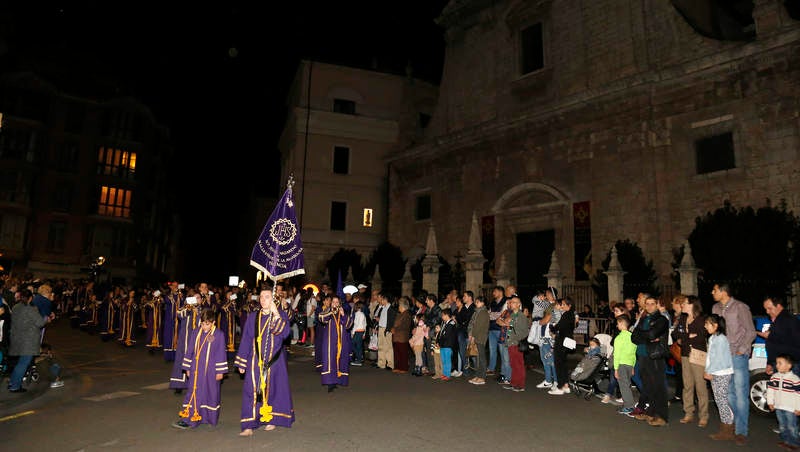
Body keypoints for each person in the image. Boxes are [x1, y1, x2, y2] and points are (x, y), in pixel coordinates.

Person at [235, 288, 294, 436]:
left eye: (267, 297)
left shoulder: (280, 315)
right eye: (261, 296)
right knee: (251, 391)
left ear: (273, 300)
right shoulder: (253, 316)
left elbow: (285, 333)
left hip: (274, 361)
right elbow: (247, 339)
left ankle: (271, 419)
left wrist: (275, 313)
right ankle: (248, 424)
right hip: (255, 359)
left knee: (272, 390)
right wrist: (242, 362)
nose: (263, 299)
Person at [711, 283, 756, 446]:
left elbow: (750, 331)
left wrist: (741, 350)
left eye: (715, 290)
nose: (712, 292)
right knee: (728, 393)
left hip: (737, 356)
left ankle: (741, 431)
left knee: (740, 393)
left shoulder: (740, 307)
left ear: (723, 292)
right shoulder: (715, 308)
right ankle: (732, 426)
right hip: (723, 357)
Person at [171, 309, 228, 429]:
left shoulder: (219, 334)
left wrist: (220, 372)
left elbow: (221, 353)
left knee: (211, 392)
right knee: (194, 392)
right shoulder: (196, 332)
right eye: (202, 323)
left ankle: (209, 417)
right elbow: (190, 350)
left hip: (211, 370)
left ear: (213, 323)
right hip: (196, 369)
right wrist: (187, 367)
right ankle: (189, 419)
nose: (204, 326)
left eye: (207, 324)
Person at [631, 296, 670, 427]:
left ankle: (662, 416)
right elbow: (633, 337)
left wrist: (644, 334)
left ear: (657, 305)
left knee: (658, 386)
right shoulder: (643, 319)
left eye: (652, 304)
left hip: (654, 356)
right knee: (648, 386)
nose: (649, 306)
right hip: (642, 355)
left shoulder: (662, 319)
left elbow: (652, 334)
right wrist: (646, 335)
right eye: (647, 304)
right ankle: (651, 412)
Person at [673, 295, 709, 427]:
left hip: (698, 355)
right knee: (687, 385)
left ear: (692, 304)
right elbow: (675, 334)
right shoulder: (682, 318)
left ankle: (703, 416)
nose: (682, 305)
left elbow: (700, 338)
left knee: (700, 386)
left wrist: (684, 339)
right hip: (685, 355)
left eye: (685, 303)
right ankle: (688, 412)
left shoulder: (701, 319)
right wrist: (688, 336)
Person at [7, 289, 50, 393]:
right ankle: (15, 386)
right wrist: (46, 318)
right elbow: (40, 323)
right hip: (28, 340)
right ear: (31, 298)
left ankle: (12, 382)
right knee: (23, 363)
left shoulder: (15, 307)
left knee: (19, 363)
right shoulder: (31, 309)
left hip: (17, 338)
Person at [704, 314, 735, 441]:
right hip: (716, 372)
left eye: (707, 323)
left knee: (721, 400)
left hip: (722, 372)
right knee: (719, 399)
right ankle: (725, 427)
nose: (705, 326)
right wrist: (708, 370)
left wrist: (709, 371)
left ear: (715, 325)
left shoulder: (721, 339)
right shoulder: (713, 338)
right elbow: (711, 357)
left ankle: (728, 427)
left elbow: (719, 359)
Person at [317, 295, 353, 392]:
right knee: (330, 360)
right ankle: (330, 382)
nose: (335, 304)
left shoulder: (343, 313)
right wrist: (330, 311)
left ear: (340, 304)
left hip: (341, 341)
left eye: (337, 302)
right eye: (333, 302)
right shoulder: (327, 311)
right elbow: (321, 318)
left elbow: (349, 325)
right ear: (331, 303)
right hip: (330, 341)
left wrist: (343, 315)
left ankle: (337, 380)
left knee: (340, 359)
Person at [766, 354, 800, 450]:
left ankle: (794, 442)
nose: (777, 365)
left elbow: (798, 394)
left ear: (789, 365)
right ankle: (786, 440)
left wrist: (798, 407)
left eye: (780, 363)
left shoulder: (795, 379)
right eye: (776, 363)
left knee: (792, 426)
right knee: (782, 425)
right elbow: (770, 390)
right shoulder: (774, 377)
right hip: (778, 407)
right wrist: (770, 402)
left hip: (791, 408)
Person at [760, 296, 800, 377]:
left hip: (788, 366)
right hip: (780, 364)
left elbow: (794, 343)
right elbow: (773, 344)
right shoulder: (777, 320)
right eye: (766, 309)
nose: (767, 312)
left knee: (790, 389)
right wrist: (770, 363)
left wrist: (770, 336)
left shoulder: (789, 320)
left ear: (778, 306)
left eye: (769, 308)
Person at [549, 297, 575, 395]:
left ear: (569, 305)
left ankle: (560, 387)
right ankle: (566, 385)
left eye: (564, 304)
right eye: (562, 304)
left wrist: (553, 327)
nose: (562, 306)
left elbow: (559, 327)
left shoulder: (567, 315)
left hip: (562, 341)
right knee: (563, 364)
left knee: (559, 364)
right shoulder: (570, 314)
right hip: (565, 341)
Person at [503, 296, 530, 392]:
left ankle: (520, 384)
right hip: (511, 342)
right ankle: (514, 382)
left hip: (516, 343)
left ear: (519, 304)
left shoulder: (521, 316)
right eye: (511, 302)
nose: (511, 304)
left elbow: (525, 332)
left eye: (514, 302)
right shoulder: (513, 315)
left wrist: (516, 339)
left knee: (519, 364)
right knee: (513, 364)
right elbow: (511, 328)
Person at [613, 315, 637, 416]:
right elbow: (634, 353)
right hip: (629, 364)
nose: (616, 325)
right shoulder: (632, 337)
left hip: (621, 364)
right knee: (627, 385)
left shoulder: (618, 338)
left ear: (622, 324)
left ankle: (629, 406)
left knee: (624, 386)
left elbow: (616, 354)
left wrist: (615, 368)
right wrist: (633, 366)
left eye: (618, 323)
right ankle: (630, 404)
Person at [467, 296, 489, 385]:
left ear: (482, 302)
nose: (476, 304)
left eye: (477, 302)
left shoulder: (483, 312)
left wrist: (472, 336)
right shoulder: (478, 312)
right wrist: (470, 334)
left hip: (480, 337)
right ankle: (478, 375)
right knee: (478, 357)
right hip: (477, 336)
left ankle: (482, 377)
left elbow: (478, 326)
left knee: (481, 358)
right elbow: (472, 323)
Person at [162, 281, 184, 362]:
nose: (175, 287)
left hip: (178, 320)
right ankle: (168, 356)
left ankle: (176, 355)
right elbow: (168, 301)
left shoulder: (181, 295)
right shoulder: (168, 296)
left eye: (177, 286)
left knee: (178, 336)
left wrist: (181, 298)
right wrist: (177, 296)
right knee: (169, 336)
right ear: (170, 287)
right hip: (169, 320)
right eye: (174, 286)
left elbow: (183, 305)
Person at [390, 296, 412, 374]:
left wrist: (395, 329)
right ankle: (397, 367)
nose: (398, 307)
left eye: (399, 305)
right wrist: (393, 328)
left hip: (402, 336)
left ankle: (404, 367)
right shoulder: (400, 314)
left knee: (403, 353)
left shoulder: (407, 314)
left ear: (403, 306)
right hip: (396, 336)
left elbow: (405, 326)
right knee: (397, 353)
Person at [435, 308, 457, 381]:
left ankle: (447, 374)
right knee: (443, 360)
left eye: (443, 315)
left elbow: (446, 335)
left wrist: (440, 342)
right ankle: (444, 374)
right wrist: (438, 342)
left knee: (447, 360)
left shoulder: (451, 323)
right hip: (443, 345)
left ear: (447, 315)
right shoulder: (444, 323)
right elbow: (440, 334)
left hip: (448, 345)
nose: (442, 317)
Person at [350, 300, 367, 366]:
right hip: (361, 331)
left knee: (352, 345)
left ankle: (359, 358)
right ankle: (359, 359)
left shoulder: (357, 314)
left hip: (357, 331)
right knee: (359, 346)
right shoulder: (363, 314)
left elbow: (356, 324)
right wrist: (364, 333)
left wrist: (353, 333)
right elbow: (365, 324)